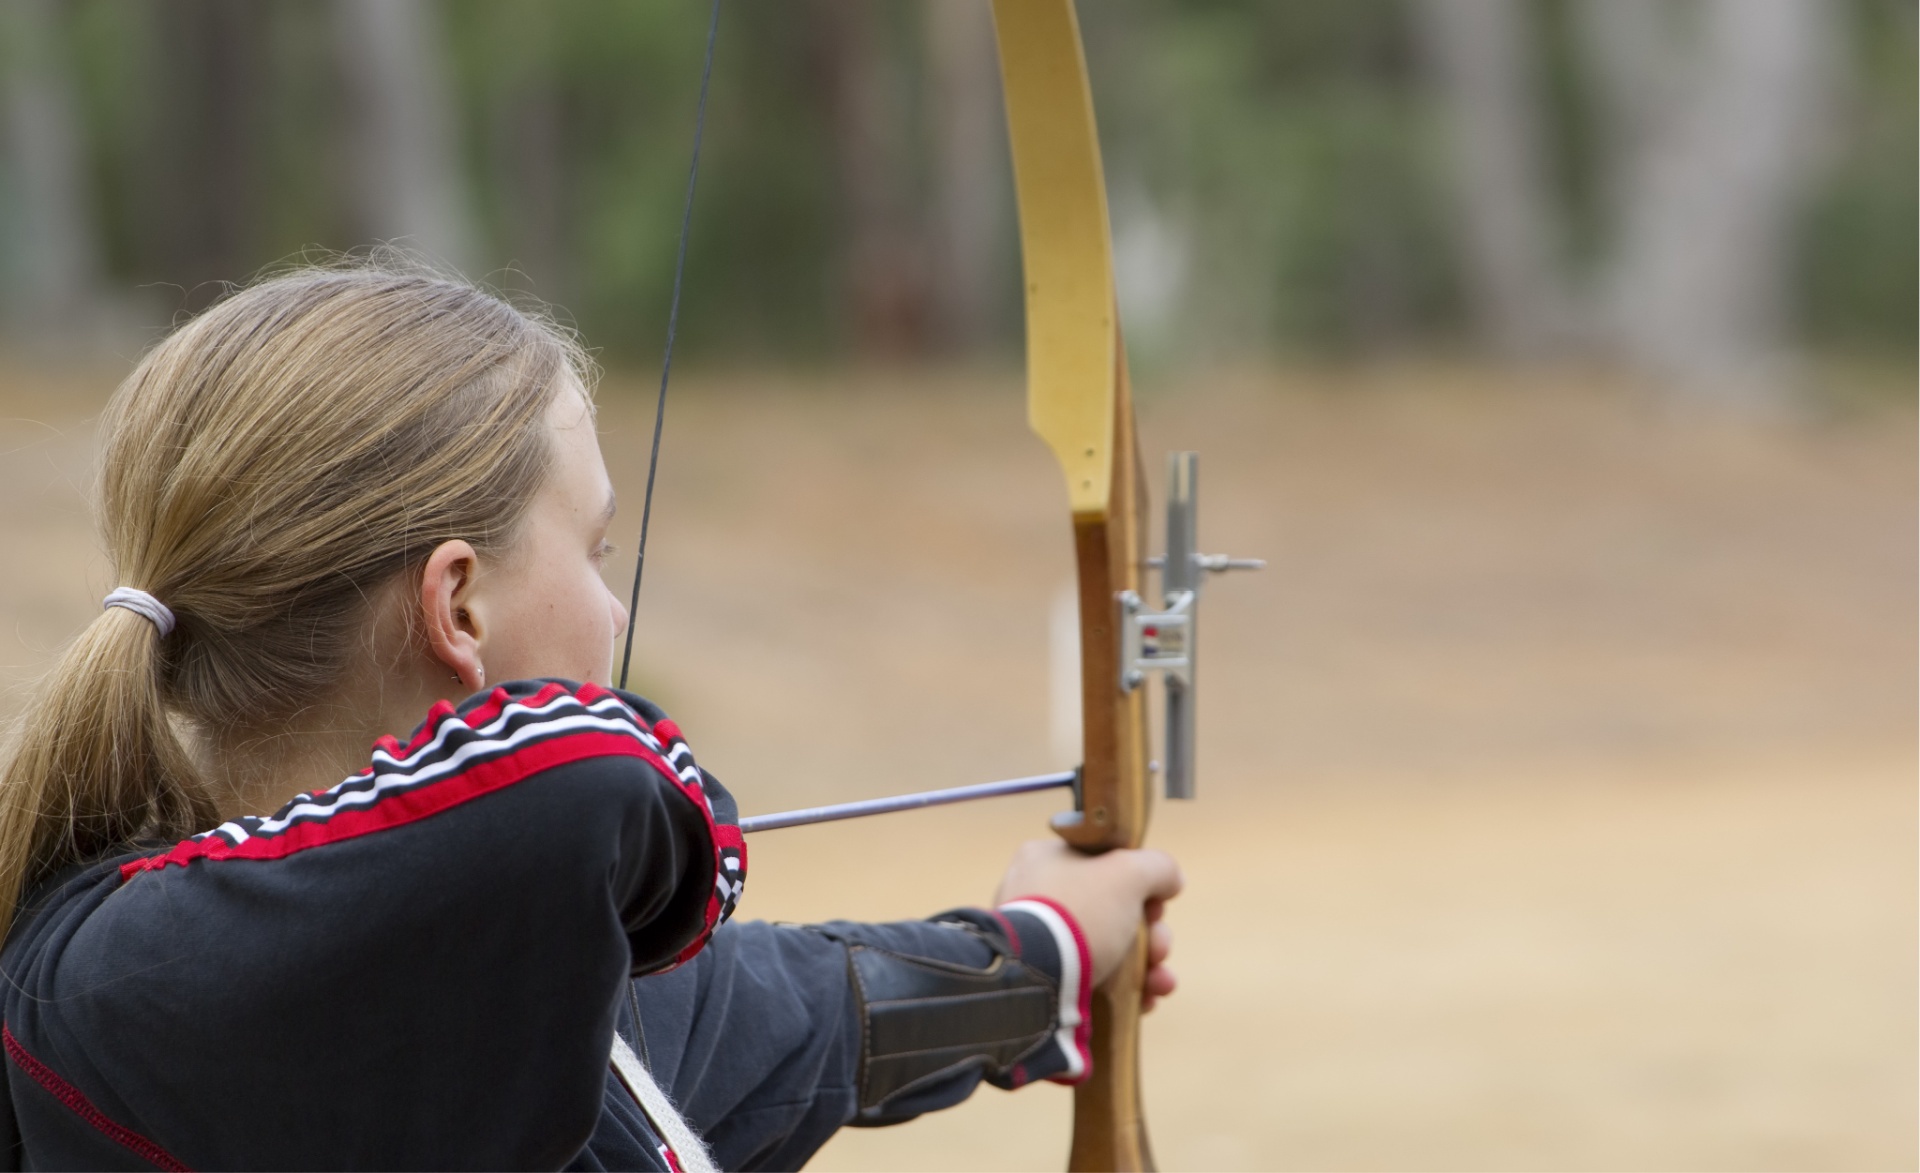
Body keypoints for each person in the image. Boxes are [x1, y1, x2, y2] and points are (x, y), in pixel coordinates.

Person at [0, 266, 1182, 1171]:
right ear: (456, 603)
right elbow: (576, 789)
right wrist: (690, 853)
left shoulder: (519, 987)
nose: (612, 605)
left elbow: (822, 1009)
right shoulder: (114, 988)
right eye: (594, 548)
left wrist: (1049, 950)